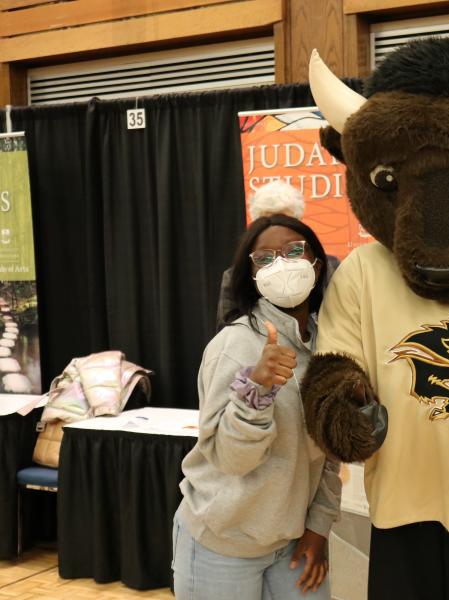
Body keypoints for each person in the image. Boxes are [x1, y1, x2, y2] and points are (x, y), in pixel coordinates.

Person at [174, 214, 340, 600]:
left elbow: (332, 451)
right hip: (222, 542)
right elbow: (232, 461)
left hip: (294, 539)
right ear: (249, 275)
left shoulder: (326, 346)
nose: (281, 263)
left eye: (294, 250)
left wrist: (319, 526)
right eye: (264, 258)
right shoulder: (233, 347)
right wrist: (258, 388)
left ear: (317, 261)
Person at [217, 181, 339, 328]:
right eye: (267, 221)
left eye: (284, 220)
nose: (275, 227)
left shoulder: (330, 266)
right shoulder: (235, 275)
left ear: (298, 222)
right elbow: (227, 330)